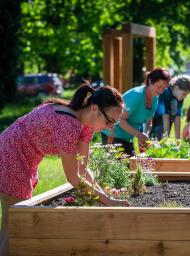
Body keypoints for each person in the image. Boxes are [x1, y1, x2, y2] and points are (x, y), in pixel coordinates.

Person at [0, 82, 130, 256]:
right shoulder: (68, 123)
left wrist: (106, 197)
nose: (111, 127)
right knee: (16, 226)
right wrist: (106, 200)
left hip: (26, 159)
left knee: (11, 224)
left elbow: (82, 168)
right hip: (11, 155)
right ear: (94, 109)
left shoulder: (86, 125)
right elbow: (73, 178)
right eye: (110, 120)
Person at [101, 67, 171, 156]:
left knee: (132, 165)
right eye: (159, 86)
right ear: (150, 81)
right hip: (113, 134)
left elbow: (149, 121)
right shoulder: (136, 96)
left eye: (164, 88)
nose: (161, 91)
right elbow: (121, 120)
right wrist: (139, 135)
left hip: (128, 136)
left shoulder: (155, 97)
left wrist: (145, 135)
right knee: (122, 167)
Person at [150, 74, 190, 140]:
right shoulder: (164, 92)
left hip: (166, 122)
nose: (185, 97)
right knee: (155, 143)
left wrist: (178, 140)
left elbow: (177, 117)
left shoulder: (179, 97)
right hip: (154, 124)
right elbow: (165, 117)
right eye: (184, 94)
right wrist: (165, 139)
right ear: (176, 88)